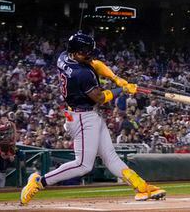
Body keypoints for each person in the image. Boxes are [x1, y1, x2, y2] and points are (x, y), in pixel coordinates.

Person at [20, 32, 166, 205]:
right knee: (83, 165)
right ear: (76, 51)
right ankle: (40, 182)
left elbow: (95, 64)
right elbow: (100, 98)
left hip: (87, 114)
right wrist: (123, 90)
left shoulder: (64, 56)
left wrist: (117, 79)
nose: (88, 55)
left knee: (111, 157)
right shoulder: (80, 74)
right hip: (81, 117)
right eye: (85, 52)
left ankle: (142, 187)